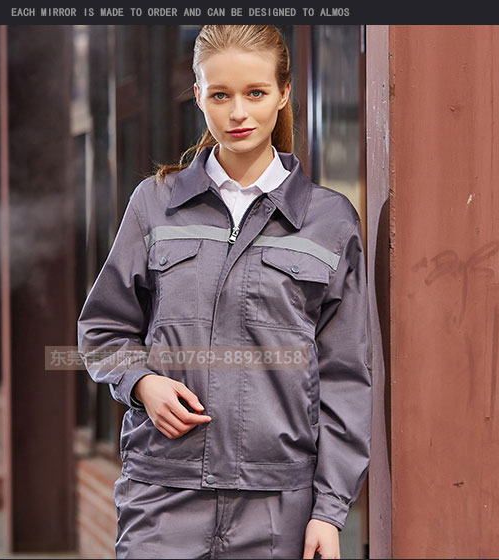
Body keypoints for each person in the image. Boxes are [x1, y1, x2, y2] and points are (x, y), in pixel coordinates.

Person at [78, 24, 372, 559]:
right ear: (198, 95)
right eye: (220, 95)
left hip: (277, 504)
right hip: (162, 493)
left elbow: (346, 375)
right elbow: (102, 329)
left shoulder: (329, 221)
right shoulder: (155, 204)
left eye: (255, 93)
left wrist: (329, 511)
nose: (238, 113)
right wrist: (142, 382)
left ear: (283, 93)